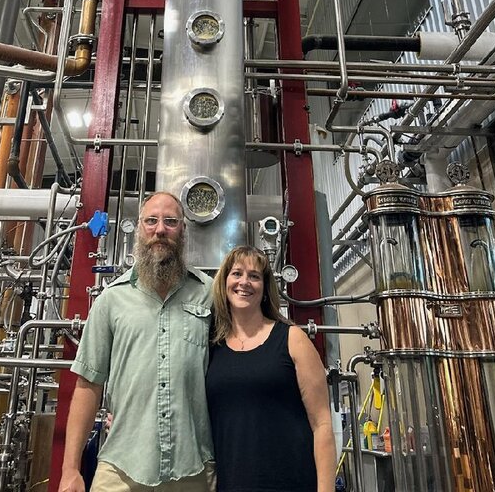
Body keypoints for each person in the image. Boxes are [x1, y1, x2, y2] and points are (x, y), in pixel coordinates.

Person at [58, 192, 215, 492]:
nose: (160, 230)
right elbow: (88, 385)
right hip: (121, 468)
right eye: (151, 221)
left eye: (170, 222)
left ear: (183, 229)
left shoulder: (208, 294)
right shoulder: (111, 299)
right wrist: (70, 470)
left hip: (193, 469)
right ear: (138, 228)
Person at [205, 245, 337, 492]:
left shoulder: (292, 339)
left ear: (265, 289)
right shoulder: (212, 346)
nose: (244, 282)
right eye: (237, 273)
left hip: (291, 483)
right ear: (224, 283)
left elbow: (322, 424)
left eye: (254, 276)